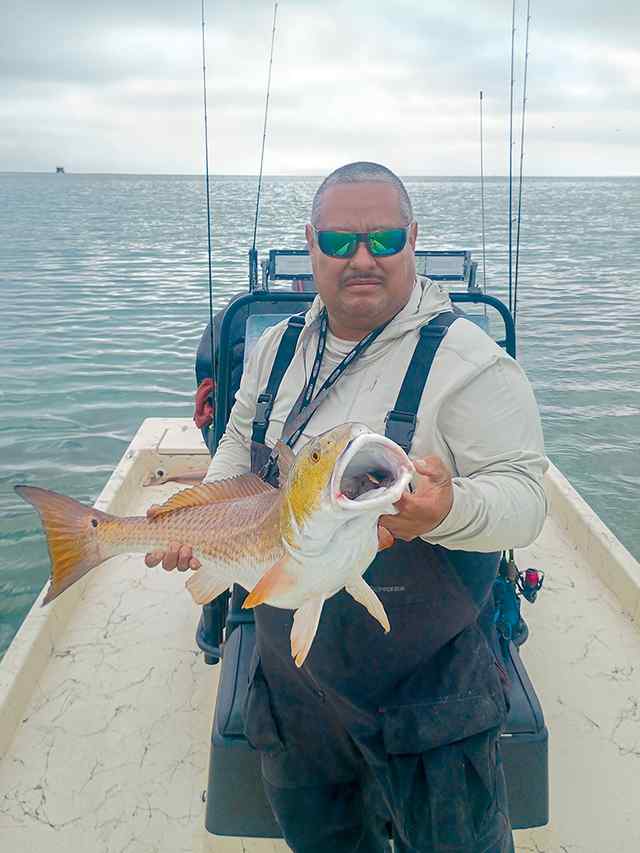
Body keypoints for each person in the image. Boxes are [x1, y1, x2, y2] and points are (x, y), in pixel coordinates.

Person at [145, 162, 548, 852]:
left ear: (412, 240)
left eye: (383, 239)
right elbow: (237, 447)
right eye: (339, 241)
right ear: (311, 245)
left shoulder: (471, 363)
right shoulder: (275, 349)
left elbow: (527, 498)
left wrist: (449, 508)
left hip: (430, 694)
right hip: (295, 687)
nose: (362, 258)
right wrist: (203, 521)